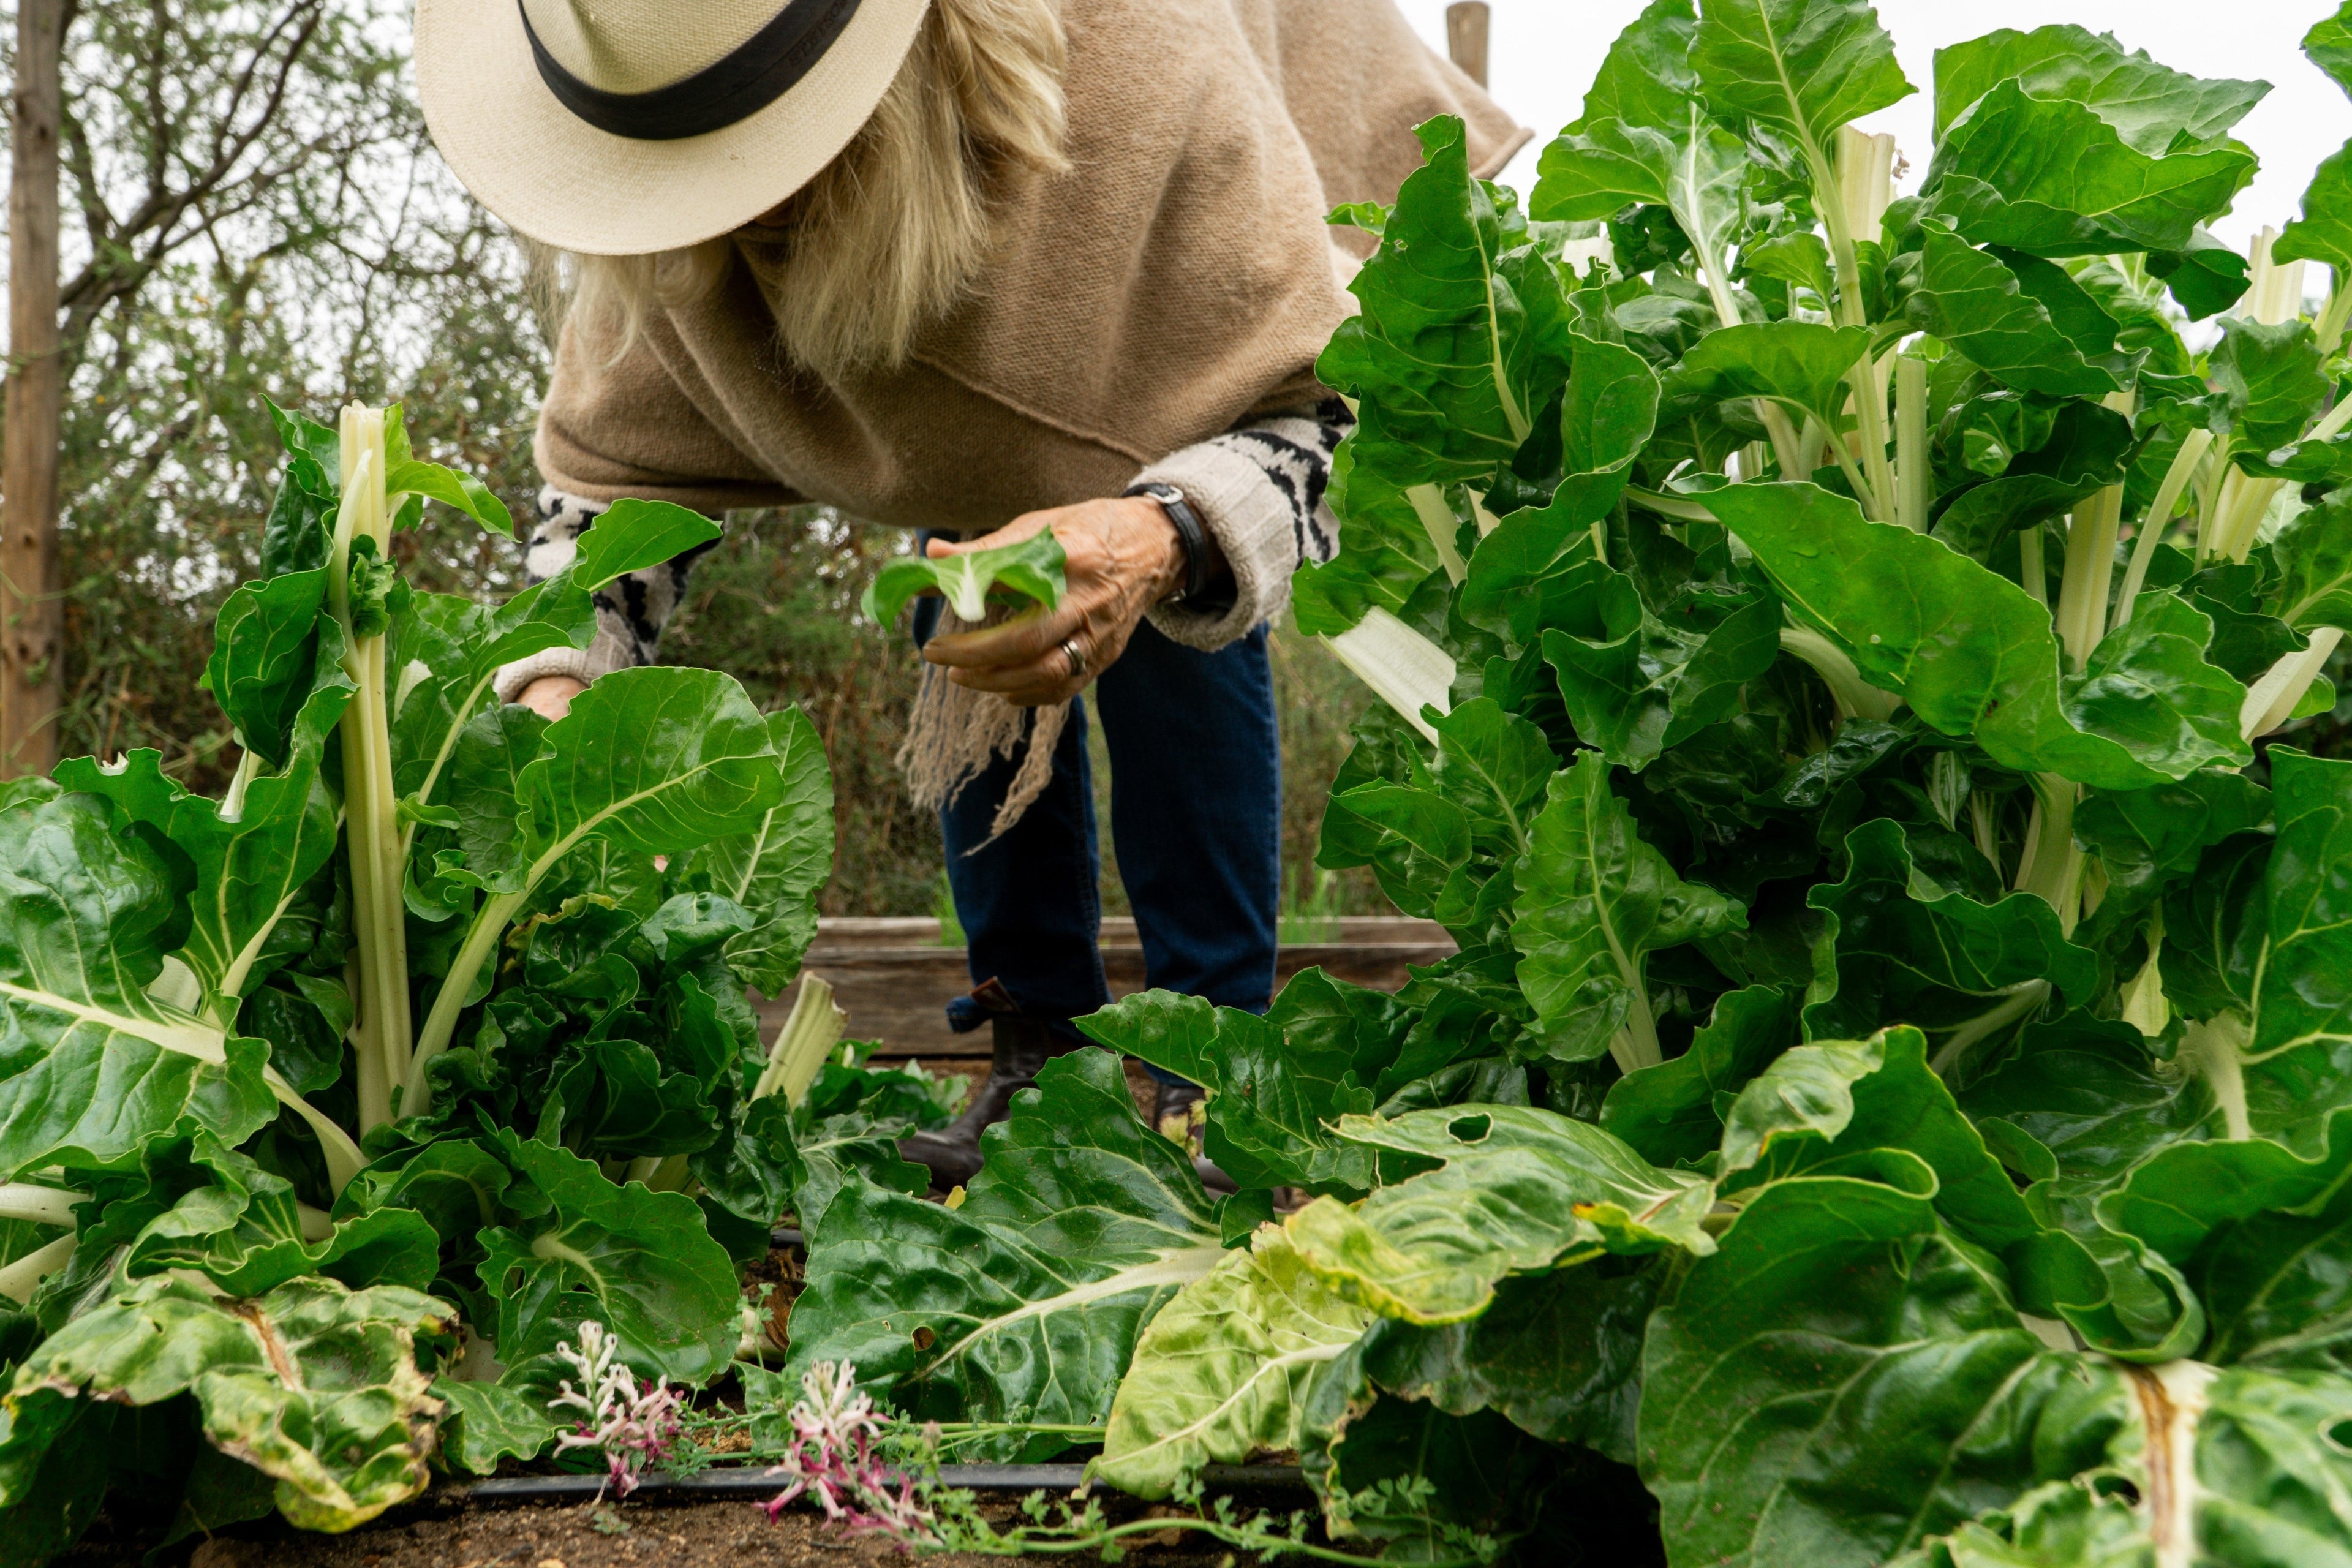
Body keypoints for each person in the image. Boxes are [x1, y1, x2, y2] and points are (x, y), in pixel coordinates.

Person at [413, 0, 1525, 1189]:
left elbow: (1317, 413)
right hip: (988, 228)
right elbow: (598, 519)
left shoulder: (1144, 73)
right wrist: (548, 689)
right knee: (976, 582)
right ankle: (1039, 1047)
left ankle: (1218, 1075)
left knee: (1159, 572)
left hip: (1238, 141)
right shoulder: (663, 112)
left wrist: (1158, 534)